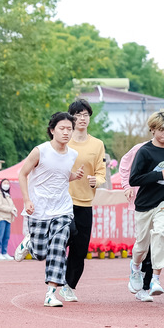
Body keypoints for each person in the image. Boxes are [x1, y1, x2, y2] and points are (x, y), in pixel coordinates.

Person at [14, 112, 84, 308]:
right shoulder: (40, 151)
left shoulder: (73, 154)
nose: (66, 132)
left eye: (69, 129)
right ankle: (29, 242)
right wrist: (26, 200)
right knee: (40, 252)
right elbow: (22, 174)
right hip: (38, 209)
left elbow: (59, 175)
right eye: (62, 128)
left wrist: (73, 176)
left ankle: (51, 294)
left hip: (62, 209)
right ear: (52, 130)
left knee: (58, 248)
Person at [127, 110, 164, 300]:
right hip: (145, 203)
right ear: (152, 130)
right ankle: (135, 267)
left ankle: (155, 279)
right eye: (162, 130)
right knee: (141, 246)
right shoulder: (145, 151)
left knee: (161, 234)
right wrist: (158, 176)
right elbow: (134, 178)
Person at [60, 99, 107, 303]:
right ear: (71, 117)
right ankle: (56, 279)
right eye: (78, 115)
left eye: (85, 115)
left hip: (85, 203)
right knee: (61, 240)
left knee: (80, 249)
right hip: (63, 201)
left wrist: (96, 180)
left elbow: (101, 173)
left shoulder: (97, 144)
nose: (82, 118)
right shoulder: (63, 141)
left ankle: (69, 286)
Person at [119, 140, 156, 302]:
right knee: (144, 243)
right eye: (161, 129)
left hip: (163, 203)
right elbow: (125, 166)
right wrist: (126, 186)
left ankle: (146, 287)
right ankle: (136, 267)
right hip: (141, 202)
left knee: (157, 243)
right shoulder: (140, 149)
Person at [0, 178, 17, 260]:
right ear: (1, 184)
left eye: (7, 183)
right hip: (1, 217)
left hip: (8, 218)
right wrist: (10, 209)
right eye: (4, 183)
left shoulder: (8, 195)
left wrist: (14, 209)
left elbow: (11, 205)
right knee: (0, 236)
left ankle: (4, 252)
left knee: (6, 237)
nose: (6, 185)